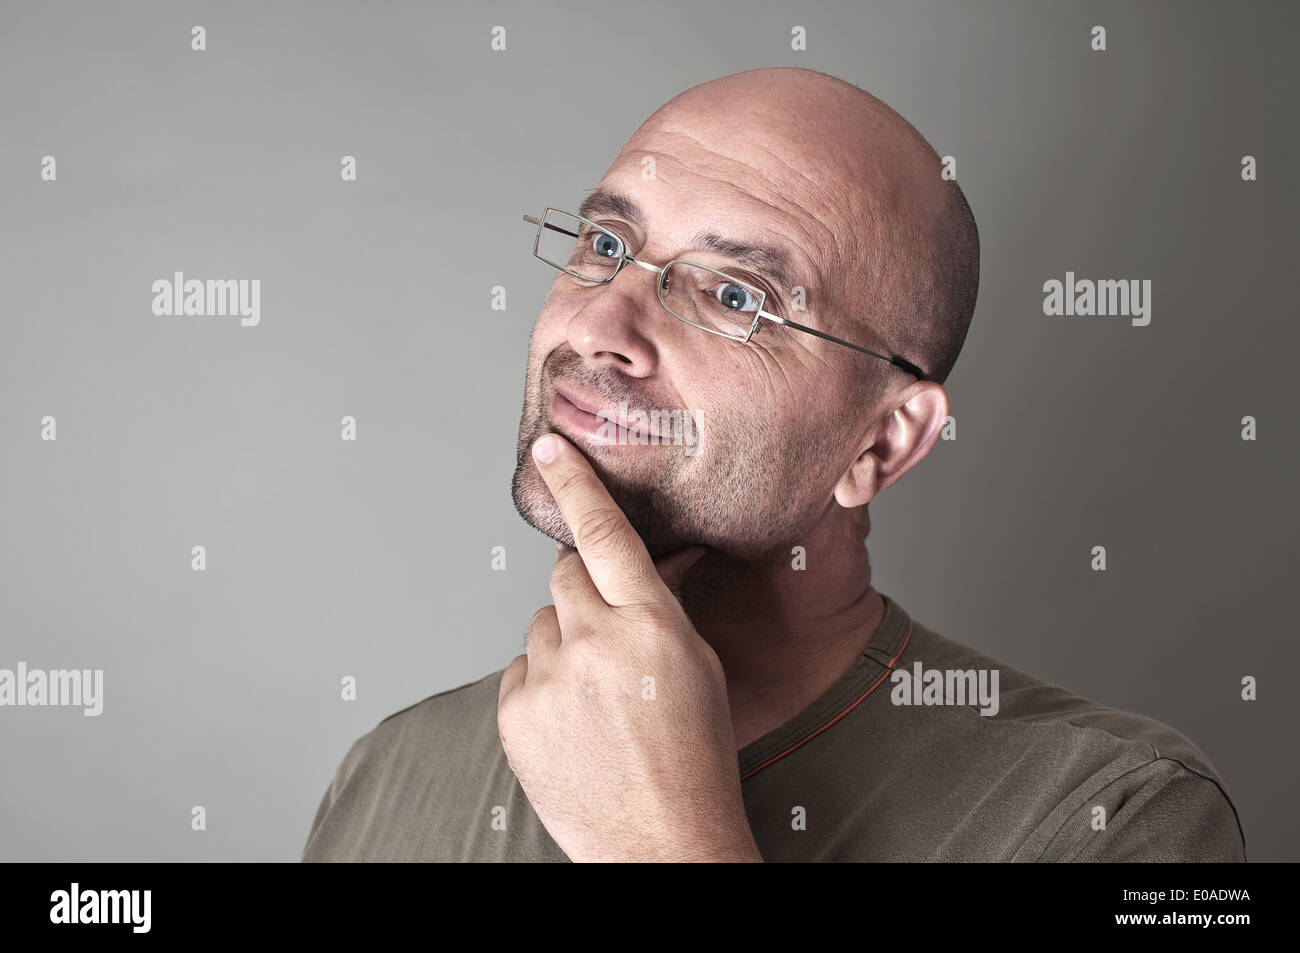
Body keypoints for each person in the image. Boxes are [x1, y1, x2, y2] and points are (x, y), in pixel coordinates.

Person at [301, 66, 1245, 862]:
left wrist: (666, 845)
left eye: (732, 295)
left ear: (884, 440)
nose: (596, 327)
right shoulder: (388, 774)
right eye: (604, 244)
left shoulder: (1122, 813)